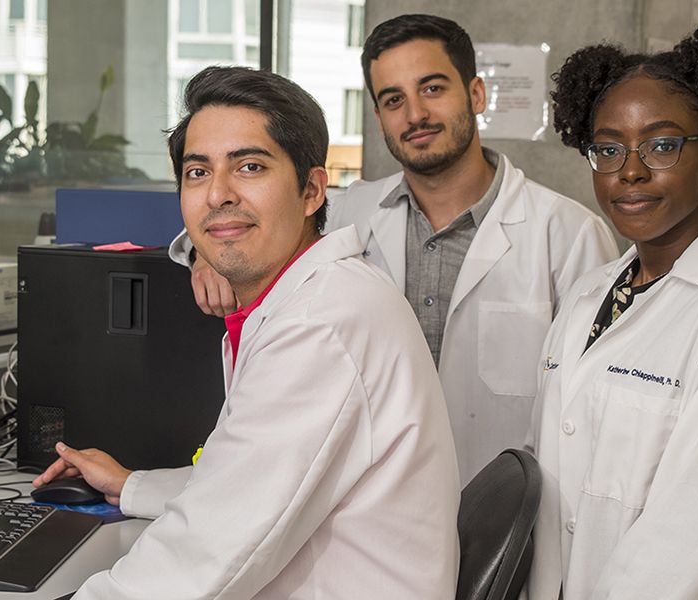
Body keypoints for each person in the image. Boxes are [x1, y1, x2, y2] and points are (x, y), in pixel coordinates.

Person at [35, 66, 459, 599]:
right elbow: (241, 482)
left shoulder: (320, 324)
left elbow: (206, 557)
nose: (218, 195)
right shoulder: (303, 299)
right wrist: (131, 485)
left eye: (250, 166)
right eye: (197, 172)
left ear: (311, 190)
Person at [171, 13, 618, 479]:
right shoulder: (350, 214)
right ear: (379, 117)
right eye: (392, 99)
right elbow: (257, 222)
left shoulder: (568, 235)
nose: (415, 114)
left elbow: (588, 413)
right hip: (376, 505)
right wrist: (205, 257)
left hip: (507, 523)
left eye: (433, 89)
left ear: (476, 94)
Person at [525, 27, 698, 599]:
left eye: (661, 145)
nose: (630, 172)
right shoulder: (588, 296)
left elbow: (697, 534)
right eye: (608, 148)